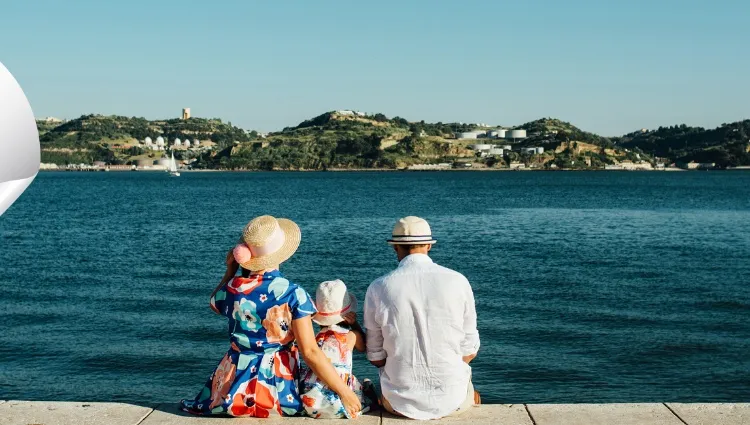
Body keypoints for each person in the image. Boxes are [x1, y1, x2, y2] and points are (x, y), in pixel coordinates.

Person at [180, 215, 361, 418]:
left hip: (230, 386)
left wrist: (230, 271)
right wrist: (344, 392)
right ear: (281, 255)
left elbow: (215, 304)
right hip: (276, 386)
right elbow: (310, 352)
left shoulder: (233, 288)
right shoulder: (294, 294)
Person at [364, 216, 481, 420]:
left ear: (395, 247)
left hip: (399, 404)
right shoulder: (458, 281)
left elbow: (376, 357)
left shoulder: (378, 287)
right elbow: (469, 351)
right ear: (428, 245)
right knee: (472, 393)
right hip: (454, 401)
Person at [300, 279, 373, 419]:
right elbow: (365, 347)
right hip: (340, 401)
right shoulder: (352, 336)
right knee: (366, 387)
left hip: (311, 401)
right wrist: (355, 324)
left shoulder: (315, 338)